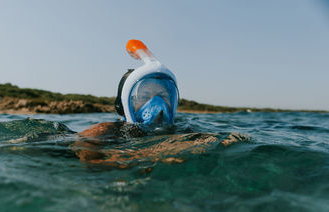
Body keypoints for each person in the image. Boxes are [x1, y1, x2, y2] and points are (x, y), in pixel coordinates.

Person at [73, 40, 249, 167]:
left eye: (163, 96)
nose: (156, 105)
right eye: (145, 96)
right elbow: (85, 148)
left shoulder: (182, 130)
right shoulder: (110, 130)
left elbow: (219, 141)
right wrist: (136, 157)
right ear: (124, 105)